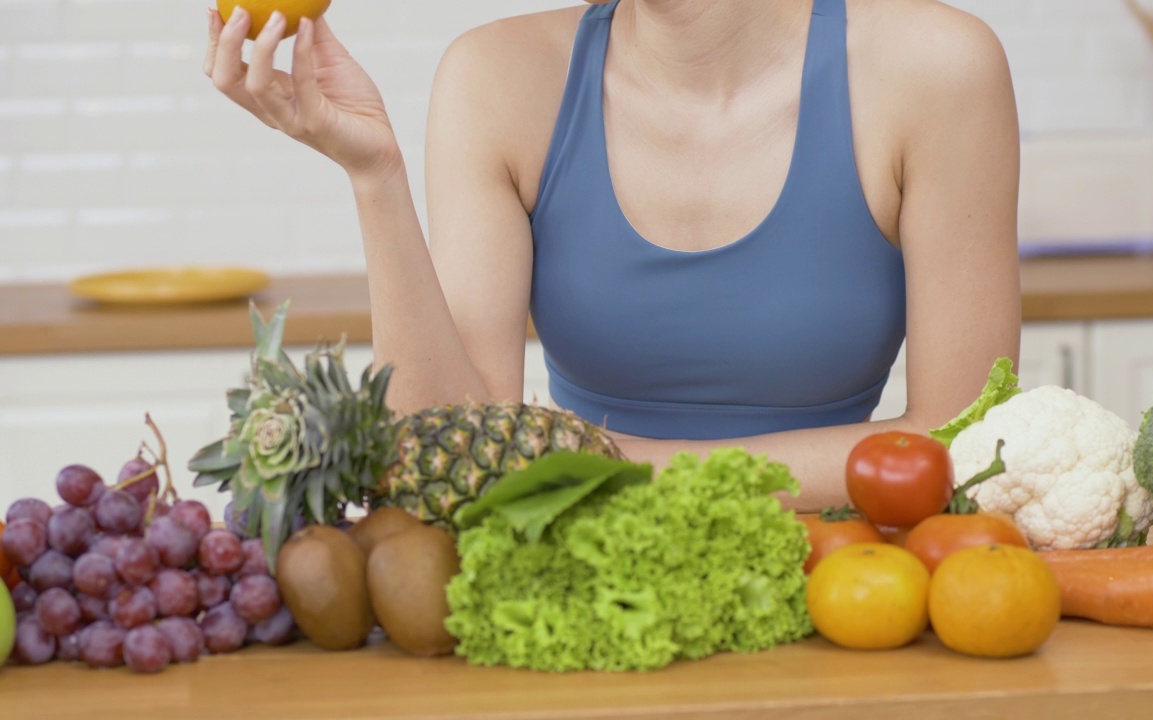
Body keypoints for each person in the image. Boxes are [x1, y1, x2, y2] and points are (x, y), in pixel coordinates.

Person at [204, 0, 1021, 510]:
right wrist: (374, 174)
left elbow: (963, 439)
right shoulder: (497, 74)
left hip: (850, 580)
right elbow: (439, 439)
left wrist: (589, 464)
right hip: (583, 574)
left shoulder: (932, 65)